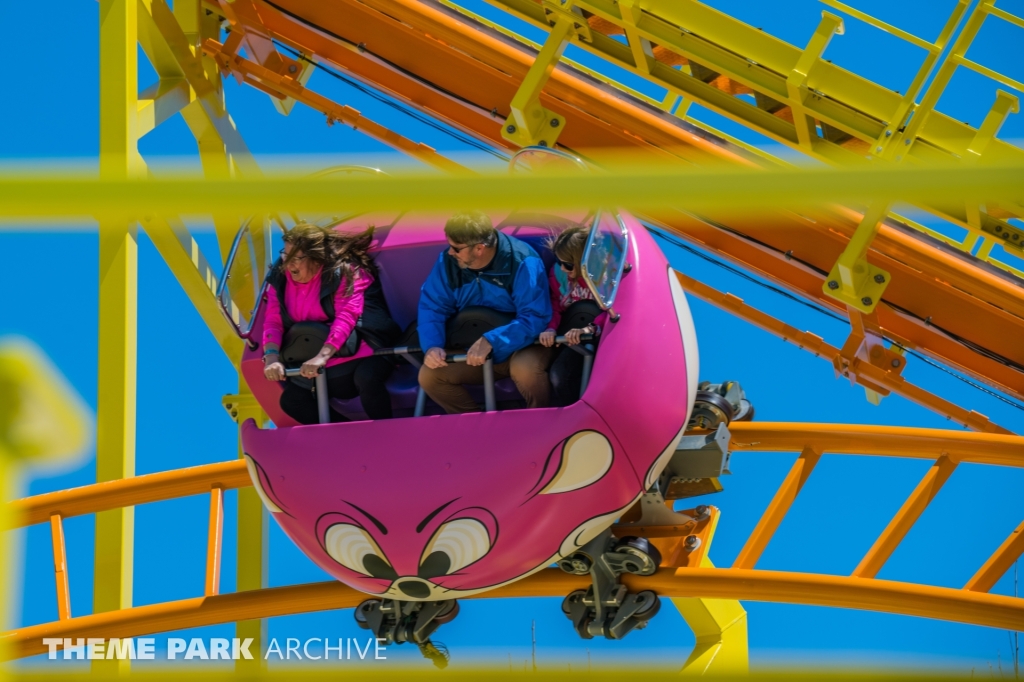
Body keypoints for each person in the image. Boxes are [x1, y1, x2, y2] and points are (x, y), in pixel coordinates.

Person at [262, 223, 401, 424]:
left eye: (296, 258)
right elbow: (273, 320)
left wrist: (322, 357)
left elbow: (346, 316)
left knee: (368, 378)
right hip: (315, 359)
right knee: (292, 401)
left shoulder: (346, 271)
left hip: (364, 351)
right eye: (285, 255)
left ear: (316, 257)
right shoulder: (280, 279)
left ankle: (387, 432)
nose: (289, 264)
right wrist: (271, 358)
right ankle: (349, 436)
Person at [418, 211, 553, 413]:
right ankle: (475, 426)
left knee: (525, 370)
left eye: (456, 248)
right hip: (473, 350)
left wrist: (492, 341)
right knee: (429, 375)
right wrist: (432, 345)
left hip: (524, 345)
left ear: (479, 248)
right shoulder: (447, 262)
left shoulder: (523, 261)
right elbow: (432, 306)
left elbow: (535, 317)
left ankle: (541, 423)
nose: (450, 252)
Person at [539, 224, 606, 406]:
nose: (562, 268)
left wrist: (589, 328)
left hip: (603, 336)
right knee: (559, 375)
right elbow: (555, 304)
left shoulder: (607, 277)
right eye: (558, 261)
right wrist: (550, 328)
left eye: (568, 265)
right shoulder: (560, 276)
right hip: (573, 338)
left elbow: (613, 310)